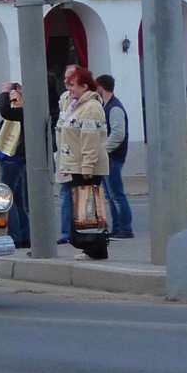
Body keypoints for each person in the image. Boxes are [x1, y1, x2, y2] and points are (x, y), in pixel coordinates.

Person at [55, 65, 109, 249]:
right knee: (82, 209)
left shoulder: (91, 107)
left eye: (72, 85)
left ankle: (95, 247)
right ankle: (87, 245)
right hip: (75, 165)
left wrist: (87, 166)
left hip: (86, 167)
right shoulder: (75, 104)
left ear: (85, 86)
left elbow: (90, 139)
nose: (68, 88)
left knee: (90, 209)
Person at [0, 82, 30, 250]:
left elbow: (6, 111)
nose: (13, 100)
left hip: (12, 158)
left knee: (8, 197)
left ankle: (15, 234)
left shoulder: (20, 113)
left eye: (16, 98)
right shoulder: (14, 113)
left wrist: (6, 92)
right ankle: (24, 234)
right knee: (18, 198)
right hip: (8, 157)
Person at [95, 74, 134, 239]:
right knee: (111, 195)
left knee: (116, 194)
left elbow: (118, 134)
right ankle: (118, 228)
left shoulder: (114, 107)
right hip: (109, 157)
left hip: (112, 157)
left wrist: (102, 150)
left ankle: (125, 228)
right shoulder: (108, 106)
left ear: (101, 88)